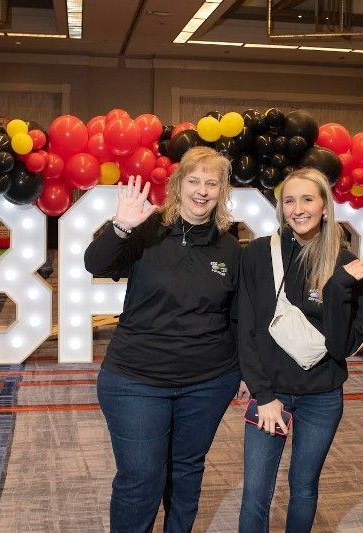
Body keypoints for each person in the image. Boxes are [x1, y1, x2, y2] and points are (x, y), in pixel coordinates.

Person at [84, 147, 242, 533]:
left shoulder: (230, 249)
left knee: (186, 474)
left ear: (222, 191)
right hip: (135, 380)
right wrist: (121, 226)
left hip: (208, 382)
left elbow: (238, 318)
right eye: (194, 181)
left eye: (212, 183)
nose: (202, 191)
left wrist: (249, 376)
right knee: (140, 479)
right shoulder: (146, 230)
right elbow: (96, 264)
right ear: (177, 185)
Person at [237, 167, 363, 532]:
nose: (298, 209)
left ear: (324, 206)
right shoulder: (257, 254)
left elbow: (341, 345)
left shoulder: (345, 262)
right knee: (256, 491)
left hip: (323, 395)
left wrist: (339, 288)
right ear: (280, 207)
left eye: (307, 199)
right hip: (271, 393)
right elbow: (247, 328)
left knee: (303, 487)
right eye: (289, 200)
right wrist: (264, 393)